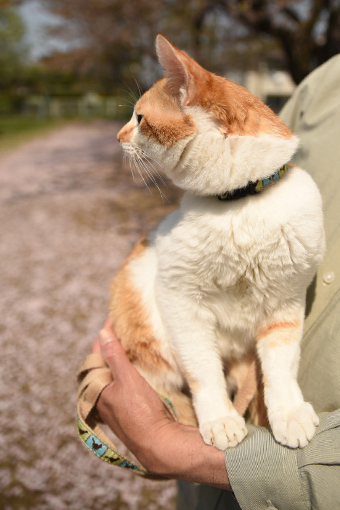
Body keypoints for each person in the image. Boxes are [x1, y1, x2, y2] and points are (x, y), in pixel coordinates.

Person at [91, 55, 340, 509]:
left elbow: (283, 312)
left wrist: (281, 398)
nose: (123, 134)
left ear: (196, 102)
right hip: (201, 408)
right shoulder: (326, 82)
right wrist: (207, 402)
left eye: (139, 119)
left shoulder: (295, 197)